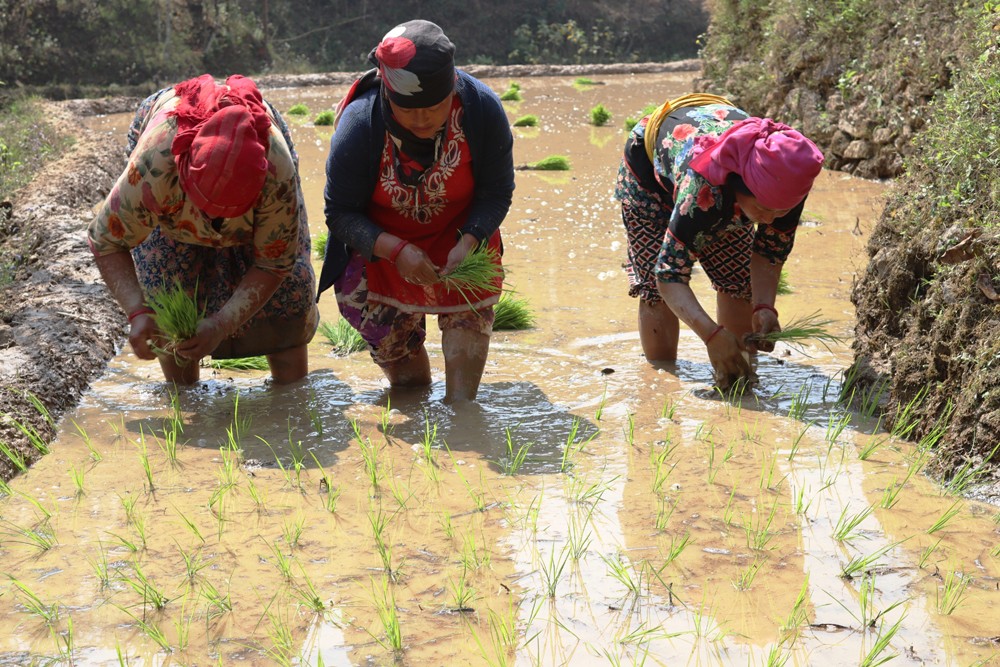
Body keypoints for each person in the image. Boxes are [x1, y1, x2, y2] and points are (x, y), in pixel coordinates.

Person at [317, 20, 514, 404]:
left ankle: (461, 416)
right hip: (380, 246)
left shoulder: (482, 110)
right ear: (389, 95)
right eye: (408, 110)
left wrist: (471, 240)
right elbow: (338, 212)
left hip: (461, 233)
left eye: (434, 108)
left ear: (453, 89)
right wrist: (395, 250)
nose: (422, 120)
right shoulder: (360, 124)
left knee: (462, 400)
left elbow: (497, 192)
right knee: (408, 384)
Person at [88, 74, 318, 385]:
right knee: (166, 287)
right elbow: (106, 242)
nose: (216, 226)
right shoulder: (155, 166)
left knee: (290, 293)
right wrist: (137, 312)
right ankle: (183, 393)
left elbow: (274, 262)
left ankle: (291, 394)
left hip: (260, 156)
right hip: (168, 161)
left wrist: (222, 324)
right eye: (207, 210)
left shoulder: (276, 172)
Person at [616, 93, 824, 388]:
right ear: (740, 188)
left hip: (722, 175)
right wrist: (710, 335)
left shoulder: (786, 181)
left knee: (737, 284)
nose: (769, 220)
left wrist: (764, 307)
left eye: (781, 212)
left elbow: (770, 251)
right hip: (649, 171)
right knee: (654, 291)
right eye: (762, 210)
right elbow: (669, 274)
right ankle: (660, 384)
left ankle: (739, 379)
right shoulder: (705, 191)